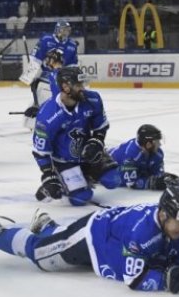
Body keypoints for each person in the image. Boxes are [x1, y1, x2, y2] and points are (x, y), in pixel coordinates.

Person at [0, 184, 179, 294]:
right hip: (95, 235)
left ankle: (48, 225)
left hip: (114, 240)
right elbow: (134, 278)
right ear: (163, 214)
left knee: (53, 242)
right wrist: (168, 280)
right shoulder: (142, 234)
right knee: (40, 256)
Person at [32, 67, 122, 205]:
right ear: (65, 87)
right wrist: (48, 175)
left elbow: (100, 127)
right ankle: (61, 179)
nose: (83, 88)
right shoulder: (47, 115)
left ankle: (83, 175)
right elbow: (41, 151)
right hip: (64, 161)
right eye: (78, 85)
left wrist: (96, 142)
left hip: (87, 154)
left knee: (114, 179)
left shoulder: (93, 99)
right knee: (81, 198)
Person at [26, 20, 79, 115]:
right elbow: (35, 59)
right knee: (44, 97)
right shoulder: (46, 40)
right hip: (44, 76)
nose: (65, 33)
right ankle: (39, 113)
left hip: (61, 78)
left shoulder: (72, 45)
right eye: (63, 30)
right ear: (57, 30)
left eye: (67, 30)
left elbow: (73, 65)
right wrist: (32, 75)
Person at [108, 124, 166, 190]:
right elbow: (130, 182)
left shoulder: (157, 153)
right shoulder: (131, 155)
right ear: (148, 144)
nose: (160, 144)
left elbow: (158, 174)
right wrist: (149, 183)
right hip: (106, 167)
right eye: (157, 142)